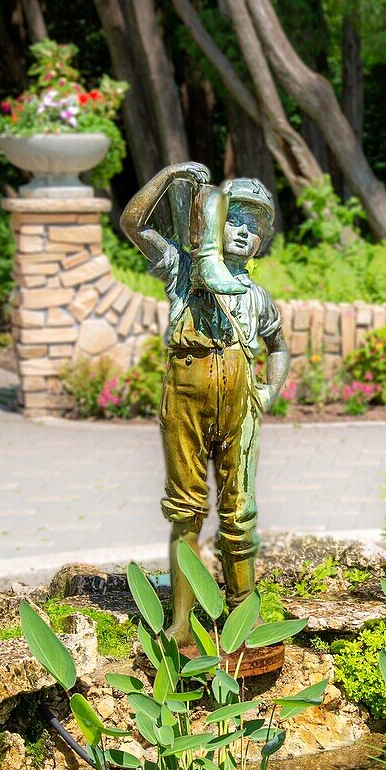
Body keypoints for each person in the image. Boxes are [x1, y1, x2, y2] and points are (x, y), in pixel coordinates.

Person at [120, 162, 290, 644]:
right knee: (186, 511)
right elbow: (134, 224)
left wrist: (267, 390)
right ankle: (182, 621)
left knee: (239, 513)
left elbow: (277, 348)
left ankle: (243, 614)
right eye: (234, 220)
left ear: (263, 241)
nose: (243, 232)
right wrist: (169, 174)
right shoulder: (180, 270)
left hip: (239, 408)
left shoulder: (257, 297)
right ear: (212, 225)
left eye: (254, 227)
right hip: (187, 402)